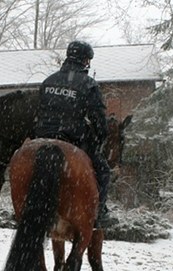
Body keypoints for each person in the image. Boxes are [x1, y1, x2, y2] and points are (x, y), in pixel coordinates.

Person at [34, 40, 116, 228]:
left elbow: (39, 110)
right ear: (86, 61)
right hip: (72, 138)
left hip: (42, 137)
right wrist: (99, 139)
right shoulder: (88, 84)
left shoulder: (48, 81)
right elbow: (98, 120)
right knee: (103, 170)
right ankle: (99, 212)